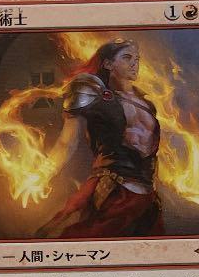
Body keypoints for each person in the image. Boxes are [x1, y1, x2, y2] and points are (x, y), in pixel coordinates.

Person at [41, 39, 163, 238]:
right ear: (107, 63)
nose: (135, 63)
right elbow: (66, 141)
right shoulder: (93, 93)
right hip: (114, 187)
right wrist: (43, 172)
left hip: (147, 196)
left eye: (137, 58)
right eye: (127, 57)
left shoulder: (147, 104)